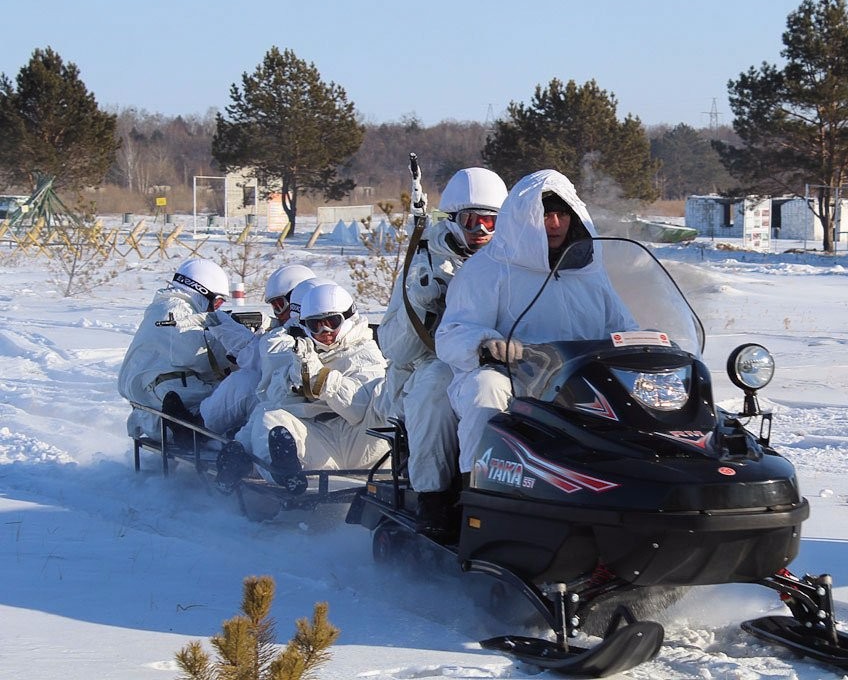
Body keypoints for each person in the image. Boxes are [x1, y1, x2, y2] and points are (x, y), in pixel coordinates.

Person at [435, 169, 638, 493]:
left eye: (562, 213)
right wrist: (487, 345)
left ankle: (635, 487)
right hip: (514, 377)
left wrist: (646, 342)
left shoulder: (588, 272)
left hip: (579, 378)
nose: (555, 224)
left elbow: (622, 326)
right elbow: (452, 332)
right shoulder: (488, 269)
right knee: (485, 391)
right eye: (545, 214)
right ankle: (478, 494)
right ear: (525, 217)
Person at [373, 167, 507, 540]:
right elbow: (395, 348)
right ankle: (435, 495)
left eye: (489, 220)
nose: (480, 231)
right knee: (436, 388)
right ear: (452, 220)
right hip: (437, 362)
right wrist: (420, 303)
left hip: (508, 356)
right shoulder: (425, 263)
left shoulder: (514, 260)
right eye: (471, 220)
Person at [217, 282, 387, 495]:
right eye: (316, 325)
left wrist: (319, 378)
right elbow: (276, 402)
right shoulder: (302, 352)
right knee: (268, 416)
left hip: (362, 444)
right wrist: (293, 378)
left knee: (383, 394)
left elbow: (357, 409)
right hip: (321, 442)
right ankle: (283, 474)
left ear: (349, 317)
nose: (325, 332)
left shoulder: (365, 352)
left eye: (332, 322)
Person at [118, 257, 243, 442]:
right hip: (166, 392)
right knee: (239, 395)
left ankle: (194, 428)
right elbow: (199, 356)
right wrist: (239, 347)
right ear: (202, 292)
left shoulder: (165, 306)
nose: (215, 309)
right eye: (217, 303)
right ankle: (195, 430)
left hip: (153, 394)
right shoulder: (175, 310)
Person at [189, 263, 316, 439]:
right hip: (292, 403)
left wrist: (223, 326)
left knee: (245, 382)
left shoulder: (305, 332)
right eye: (274, 306)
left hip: (293, 406)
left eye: (280, 305)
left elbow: (261, 361)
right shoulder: (305, 328)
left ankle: (196, 429)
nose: (278, 313)